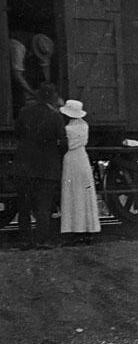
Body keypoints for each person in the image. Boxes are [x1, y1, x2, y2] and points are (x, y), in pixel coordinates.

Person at [14, 83, 67, 249]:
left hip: (24, 166)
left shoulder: (24, 112)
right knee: (43, 206)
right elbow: (63, 142)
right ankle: (41, 240)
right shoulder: (56, 116)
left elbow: (18, 134)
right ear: (51, 98)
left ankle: (24, 240)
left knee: (23, 206)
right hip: (47, 168)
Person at [59, 99, 101, 244]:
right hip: (82, 158)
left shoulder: (68, 129)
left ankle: (76, 230)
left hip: (71, 160)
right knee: (84, 193)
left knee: (73, 194)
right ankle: (89, 229)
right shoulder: (84, 126)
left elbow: (63, 145)